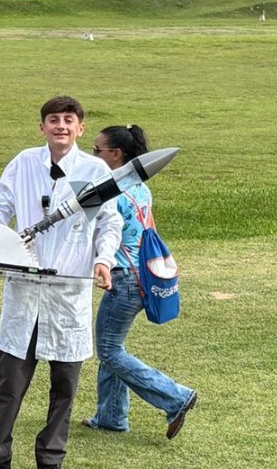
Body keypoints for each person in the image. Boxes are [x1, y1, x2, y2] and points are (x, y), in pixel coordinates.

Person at [0, 96, 122, 469]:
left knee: (64, 386)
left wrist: (103, 260)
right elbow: (0, 212)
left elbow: (108, 224)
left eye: (68, 120)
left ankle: (51, 461)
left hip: (67, 293)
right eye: (53, 120)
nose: (61, 126)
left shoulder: (93, 170)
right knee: (9, 383)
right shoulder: (24, 164)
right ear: (42, 127)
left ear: (80, 128)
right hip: (25, 291)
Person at [82, 124, 197, 438]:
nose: (92, 155)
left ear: (116, 155)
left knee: (108, 350)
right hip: (140, 275)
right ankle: (111, 417)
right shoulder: (140, 188)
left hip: (123, 280)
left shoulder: (112, 191)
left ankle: (175, 396)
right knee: (113, 346)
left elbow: (97, 231)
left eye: (97, 150)